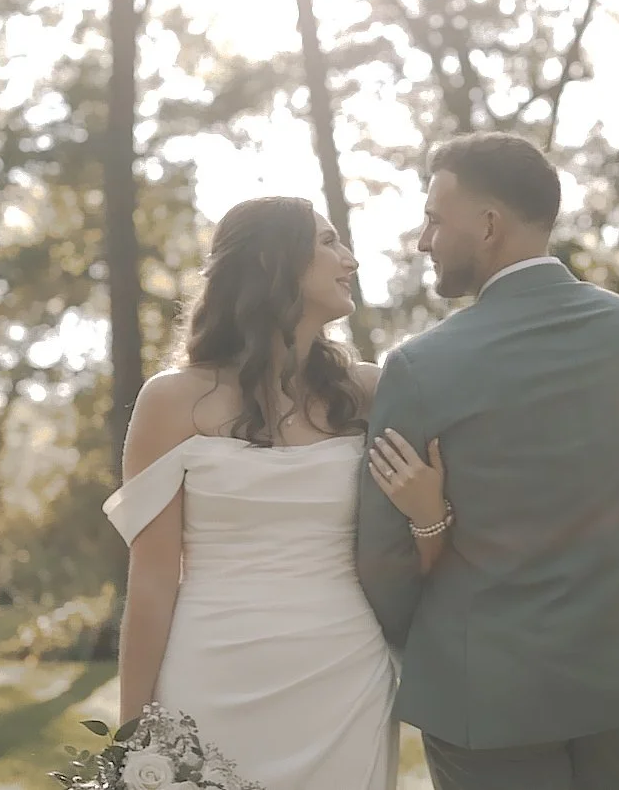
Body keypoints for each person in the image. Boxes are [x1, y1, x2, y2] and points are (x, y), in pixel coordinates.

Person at [356, 131, 619, 790]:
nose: (423, 240)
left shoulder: (421, 366)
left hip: (487, 690)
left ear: (488, 225)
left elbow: (384, 556)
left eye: (434, 219)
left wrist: (436, 638)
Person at [102, 196, 398, 789]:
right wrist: (132, 743)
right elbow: (153, 579)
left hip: (345, 679)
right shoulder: (171, 400)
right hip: (210, 672)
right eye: (329, 242)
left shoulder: (371, 392)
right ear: (273, 261)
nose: (350, 259)